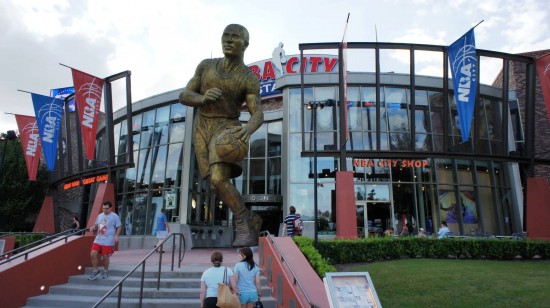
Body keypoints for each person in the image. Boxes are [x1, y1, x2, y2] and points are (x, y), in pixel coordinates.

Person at [179, 24, 264, 247]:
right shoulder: (206, 66)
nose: (228, 40)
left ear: (245, 44)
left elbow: (258, 114)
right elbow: (184, 94)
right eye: (225, 36)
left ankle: (243, 221)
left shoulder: (248, 78)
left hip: (227, 127)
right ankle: (250, 217)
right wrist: (202, 98)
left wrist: (246, 130)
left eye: (234, 37)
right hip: (202, 124)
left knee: (219, 178)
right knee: (213, 182)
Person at [88, 201, 122, 280]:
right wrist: (93, 227)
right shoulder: (100, 216)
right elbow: (97, 225)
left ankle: (106, 271)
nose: (104, 210)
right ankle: (95, 271)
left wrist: (116, 235)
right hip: (98, 238)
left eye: (106, 209)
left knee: (105, 255)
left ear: (110, 208)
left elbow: (119, 226)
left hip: (108, 239)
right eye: (103, 208)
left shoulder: (114, 216)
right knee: (93, 254)